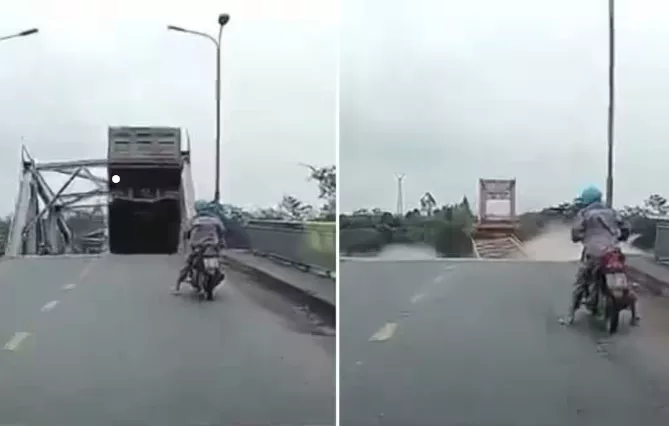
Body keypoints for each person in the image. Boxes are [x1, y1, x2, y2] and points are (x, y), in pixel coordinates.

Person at [565, 185, 637, 325]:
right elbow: (626, 228)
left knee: (581, 281)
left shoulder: (584, 214)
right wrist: (621, 237)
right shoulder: (612, 212)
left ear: (586, 200)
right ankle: (634, 316)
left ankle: (570, 316)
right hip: (613, 252)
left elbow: (576, 233)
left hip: (593, 253)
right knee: (625, 280)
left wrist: (580, 237)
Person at [172, 202, 227, 295]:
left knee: (188, 264)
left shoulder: (195, 220)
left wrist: (186, 243)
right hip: (213, 245)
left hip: (198, 245)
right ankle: (217, 276)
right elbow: (222, 232)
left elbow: (186, 232)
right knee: (219, 263)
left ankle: (177, 287)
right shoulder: (216, 220)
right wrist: (221, 243)